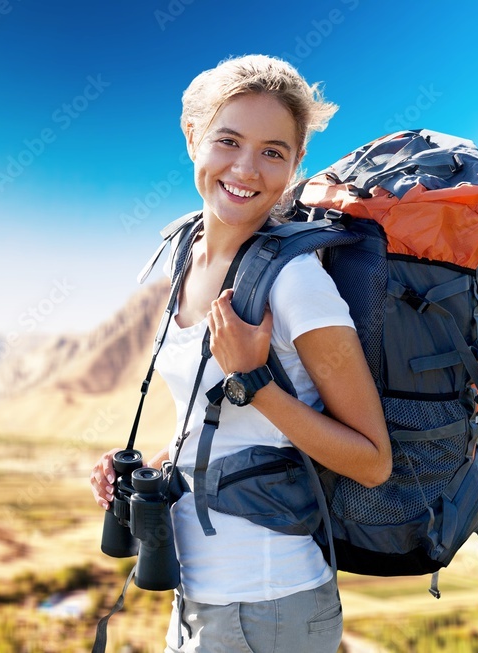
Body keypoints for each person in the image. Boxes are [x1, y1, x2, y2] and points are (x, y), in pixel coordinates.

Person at [89, 55, 392, 652]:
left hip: (269, 606)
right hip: (197, 600)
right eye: (228, 140)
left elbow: (372, 460)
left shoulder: (296, 282)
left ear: (295, 164)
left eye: (274, 152)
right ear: (192, 137)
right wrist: (147, 463)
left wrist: (255, 379)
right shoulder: (184, 256)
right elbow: (217, 430)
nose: (246, 168)